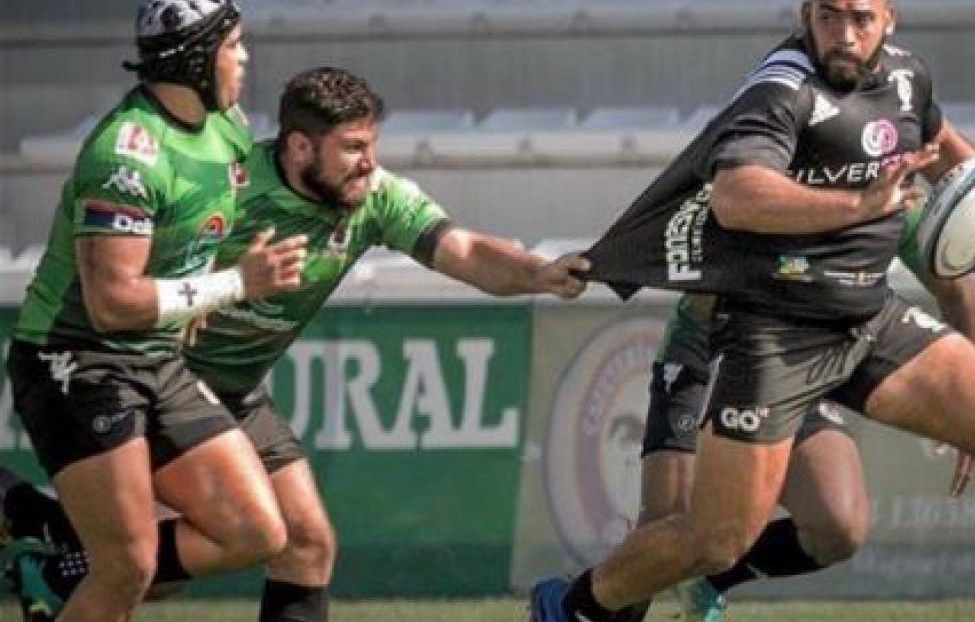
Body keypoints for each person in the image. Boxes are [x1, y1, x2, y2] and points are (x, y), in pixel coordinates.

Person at [530, 0, 975, 622]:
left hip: (867, 318)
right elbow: (735, 195)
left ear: (888, 21)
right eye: (830, 16)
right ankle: (573, 606)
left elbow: (964, 166)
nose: (845, 34)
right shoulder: (781, 90)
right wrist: (858, 205)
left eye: (862, 19)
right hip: (771, 334)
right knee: (716, 538)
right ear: (805, 16)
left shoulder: (907, 80)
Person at [1, 66, 591, 622]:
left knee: (304, 544)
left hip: (236, 394)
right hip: (158, 380)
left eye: (372, 145)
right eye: (354, 148)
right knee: (152, 562)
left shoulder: (376, 199)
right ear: (301, 147)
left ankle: (52, 550)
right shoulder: (229, 184)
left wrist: (538, 272)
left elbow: (463, 251)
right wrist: (198, 293)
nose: (370, 163)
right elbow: (125, 271)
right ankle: (51, 541)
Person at [2, 0, 309, 622]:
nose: (245, 58)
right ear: (196, 59)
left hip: (156, 359)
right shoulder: (126, 154)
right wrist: (233, 285)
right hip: (77, 363)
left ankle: (51, 553)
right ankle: (60, 548)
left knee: (256, 529)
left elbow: (196, 232)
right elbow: (112, 303)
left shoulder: (224, 127)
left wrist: (196, 290)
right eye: (234, 44)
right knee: (127, 570)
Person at [631, 200, 975, 622]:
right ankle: (575, 608)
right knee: (666, 528)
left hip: (789, 365)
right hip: (704, 352)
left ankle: (712, 581)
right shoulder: (761, 172)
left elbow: (957, 290)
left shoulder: (894, 196)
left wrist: (974, 411)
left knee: (837, 526)